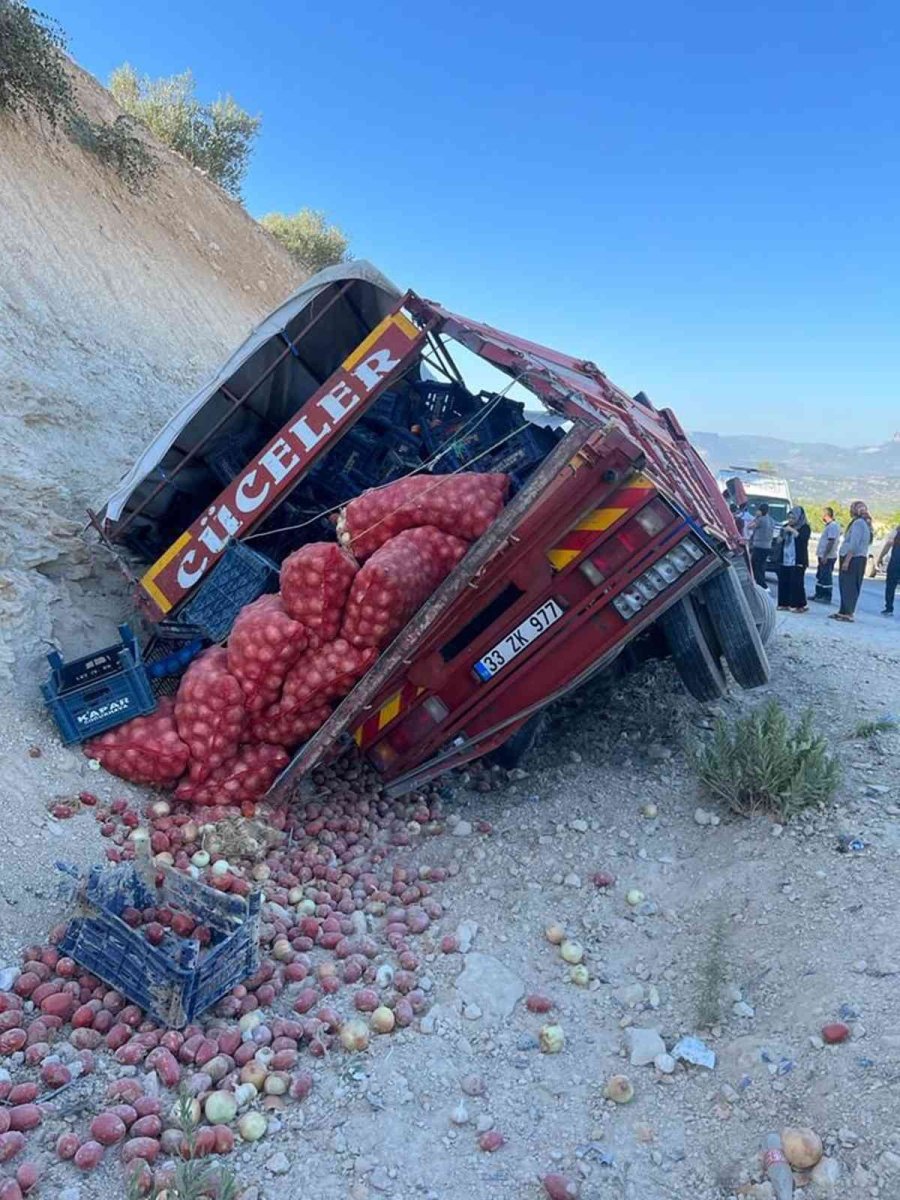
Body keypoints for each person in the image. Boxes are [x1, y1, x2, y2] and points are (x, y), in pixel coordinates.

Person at [831, 500, 873, 622]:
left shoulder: (859, 523)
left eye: (852, 508)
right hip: (857, 558)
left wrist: (847, 561)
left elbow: (854, 544)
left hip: (853, 558)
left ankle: (848, 612)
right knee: (846, 585)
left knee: (849, 586)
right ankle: (843, 611)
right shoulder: (864, 523)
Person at [776, 506, 811, 612]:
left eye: (793, 518)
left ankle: (799, 605)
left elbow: (802, 538)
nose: (791, 520)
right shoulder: (785, 526)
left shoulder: (804, 527)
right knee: (784, 582)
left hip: (798, 559)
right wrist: (782, 535)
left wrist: (792, 530)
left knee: (796, 583)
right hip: (785, 559)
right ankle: (783, 603)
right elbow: (778, 540)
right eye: (789, 518)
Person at [810, 506, 841, 604]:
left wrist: (825, 555)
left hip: (828, 556)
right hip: (823, 555)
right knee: (820, 576)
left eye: (823, 514)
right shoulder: (828, 526)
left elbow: (831, 541)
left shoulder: (833, 526)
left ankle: (826, 596)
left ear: (826, 515)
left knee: (826, 577)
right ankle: (818, 594)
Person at [749, 503, 775, 588]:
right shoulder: (772, 520)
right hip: (768, 546)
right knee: (762, 565)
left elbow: (750, 526)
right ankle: (762, 582)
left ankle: (760, 584)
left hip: (759, 546)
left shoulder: (760, 519)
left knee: (755, 565)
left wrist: (756, 517)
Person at [878, 523, 900, 616]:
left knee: (890, 586)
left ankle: (889, 608)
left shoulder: (897, 531)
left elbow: (888, 544)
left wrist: (880, 557)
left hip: (896, 562)